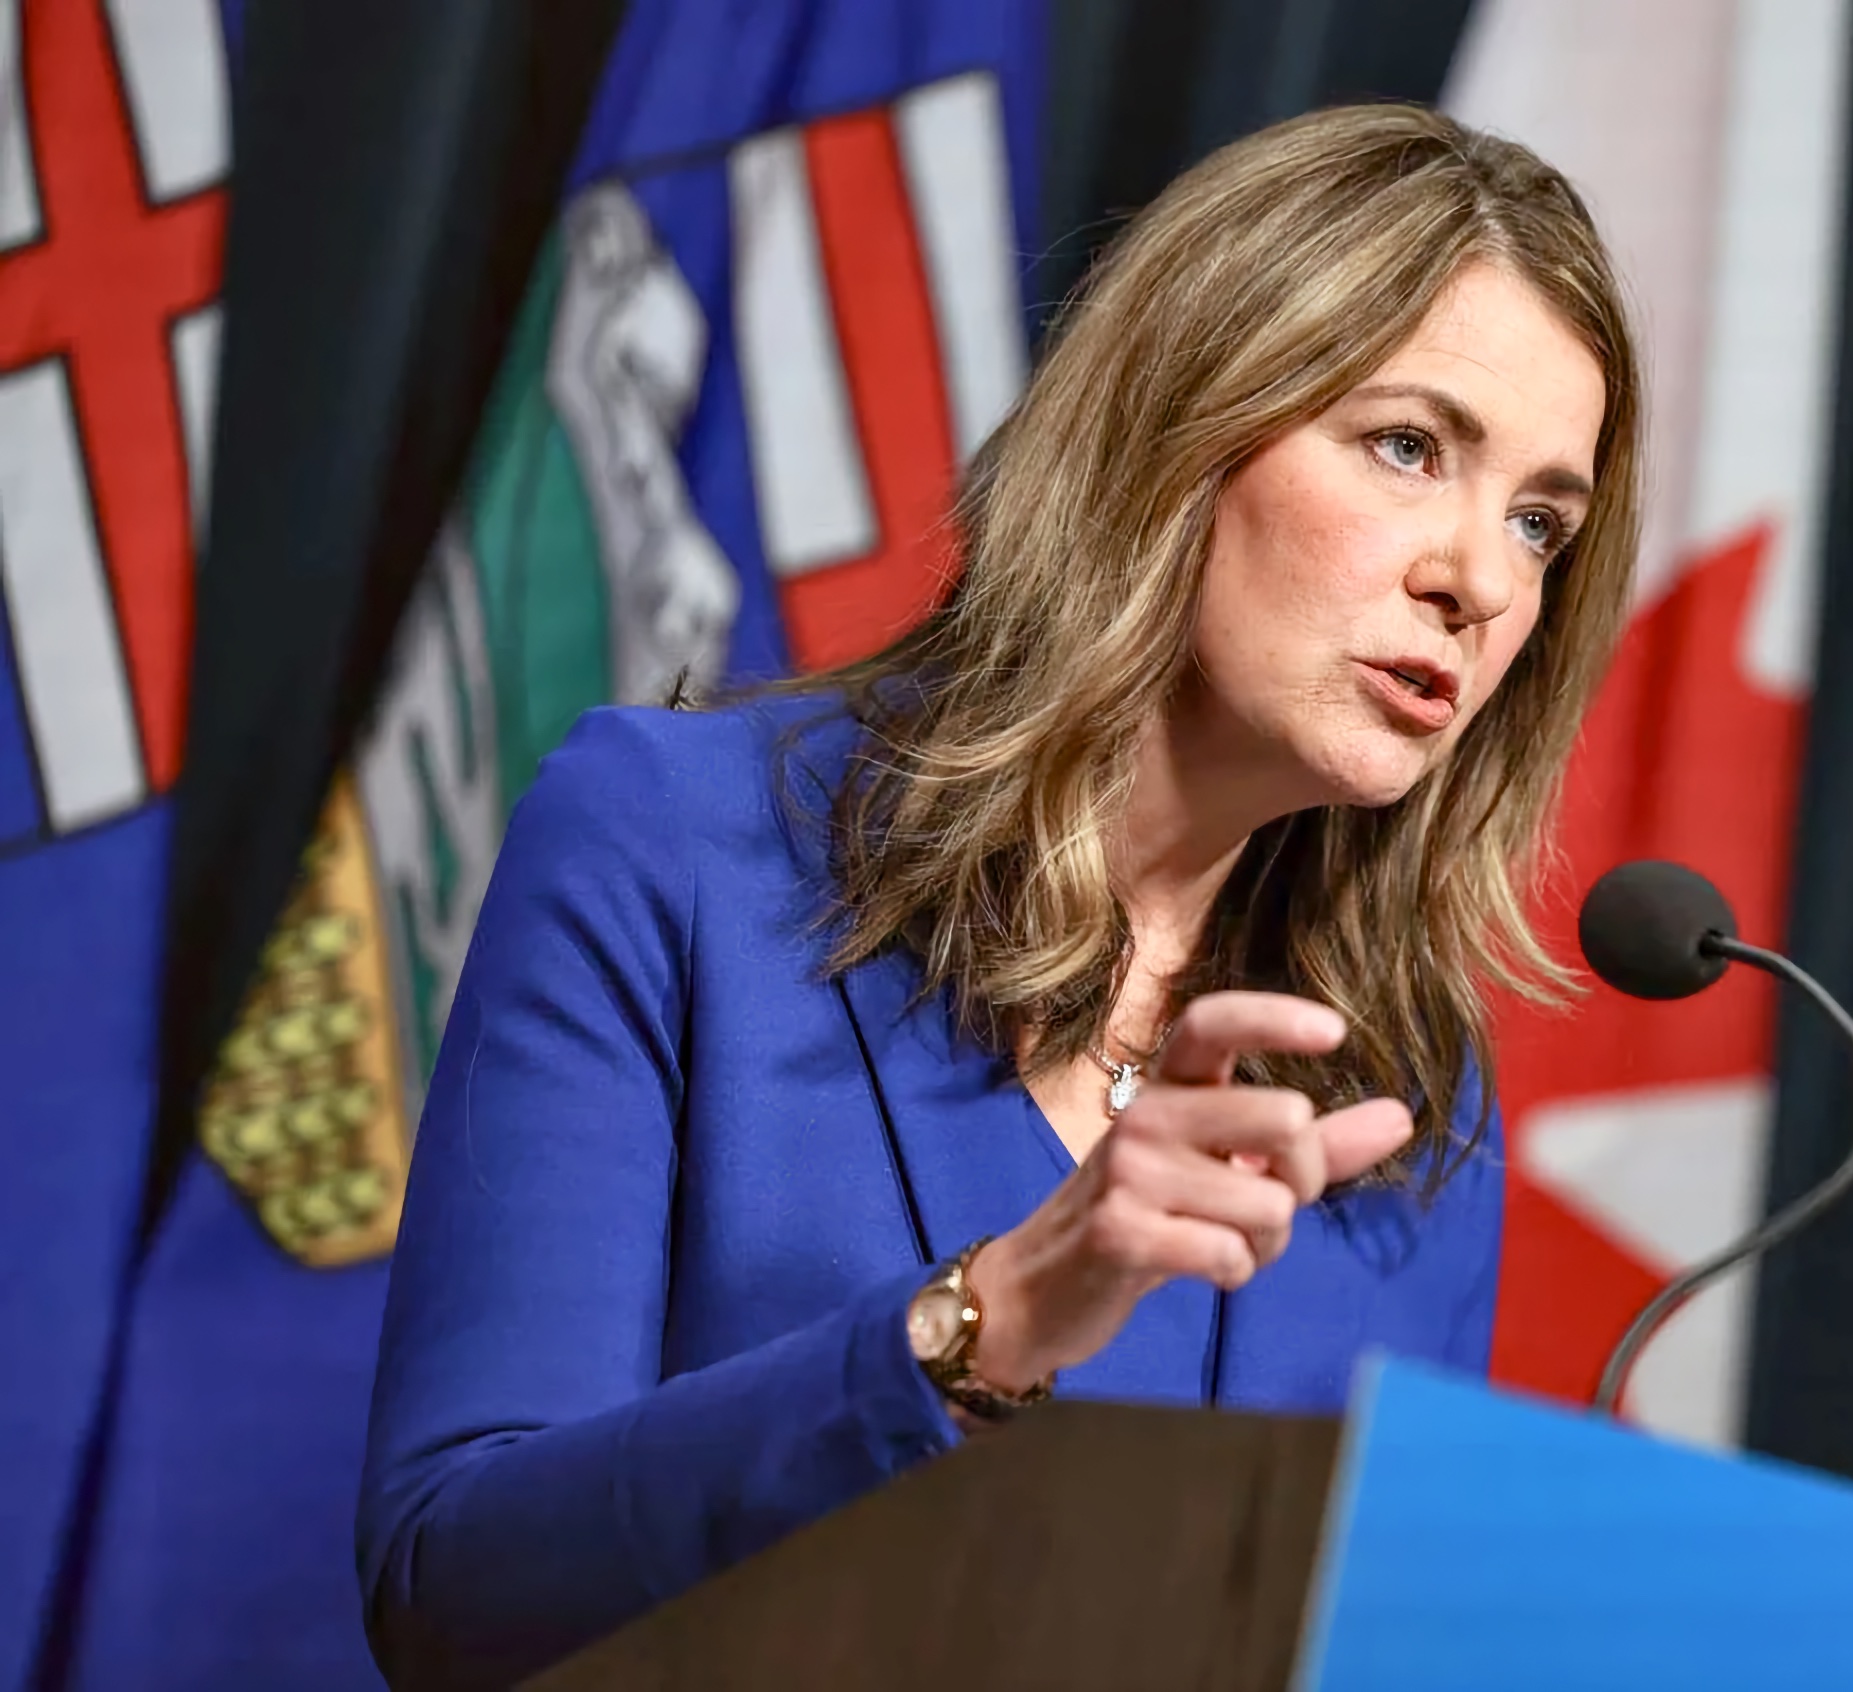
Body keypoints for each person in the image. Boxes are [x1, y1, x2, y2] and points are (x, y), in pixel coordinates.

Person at [355, 101, 1644, 1688]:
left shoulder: (1400, 1100)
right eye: (1408, 447)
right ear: (1183, 423)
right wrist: (990, 1321)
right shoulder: (678, 847)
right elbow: (453, 1582)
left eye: (1540, 521)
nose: (1486, 580)